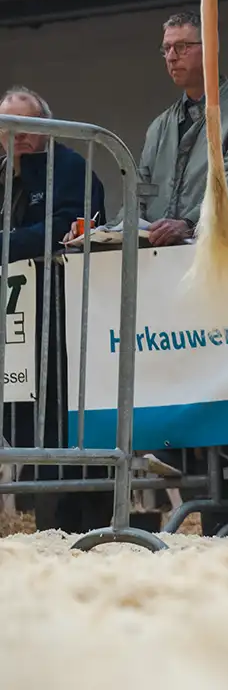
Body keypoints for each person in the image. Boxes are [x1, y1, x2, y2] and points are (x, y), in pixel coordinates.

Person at [0, 86, 109, 532]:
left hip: (64, 314)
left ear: (48, 127)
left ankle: (82, 523)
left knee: (66, 418)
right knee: (25, 419)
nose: (19, 136)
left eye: (27, 125)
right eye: (9, 128)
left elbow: (66, 227)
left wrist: (5, 245)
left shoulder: (70, 166)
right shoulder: (5, 172)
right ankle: (50, 524)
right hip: (17, 321)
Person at [137, 12, 228, 244]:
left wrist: (189, 223)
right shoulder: (159, 126)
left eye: (181, 47)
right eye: (166, 48)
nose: (171, 57)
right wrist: (100, 231)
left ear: (210, 48)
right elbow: (139, 193)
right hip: (160, 255)